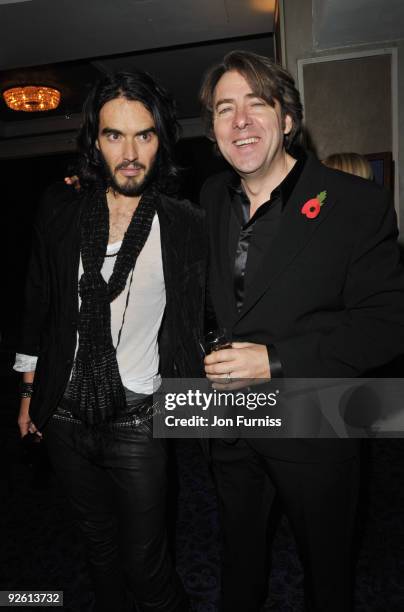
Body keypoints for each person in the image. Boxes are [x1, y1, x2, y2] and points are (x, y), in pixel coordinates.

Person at [199, 50, 404, 612]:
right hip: (233, 427)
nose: (240, 120)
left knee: (326, 573)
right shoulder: (213, 198)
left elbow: (387, 325)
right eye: (224, 108)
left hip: (315, 424)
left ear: (288, 119)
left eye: (256, 104)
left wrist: (275, 361)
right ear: (213, 127)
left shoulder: (356, 204)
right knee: (237, 563)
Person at [15, 70, 206, 612]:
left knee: (147, 566)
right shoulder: (62, 209)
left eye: (143, 135)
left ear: (161, 139)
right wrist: (29, 392)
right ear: (94, 143)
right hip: (65, 416)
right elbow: (39, 302)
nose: (129, 152)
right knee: (97, 551)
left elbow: (212, 309)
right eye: (113, 135)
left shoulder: (184, 223)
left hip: (139, 422)